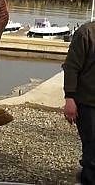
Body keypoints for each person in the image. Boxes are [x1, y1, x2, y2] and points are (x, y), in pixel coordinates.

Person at [63, 21, 95, 184]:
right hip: (88, 105)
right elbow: (71, 67)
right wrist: (69, 98)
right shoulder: (86, 33)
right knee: (92, 153)